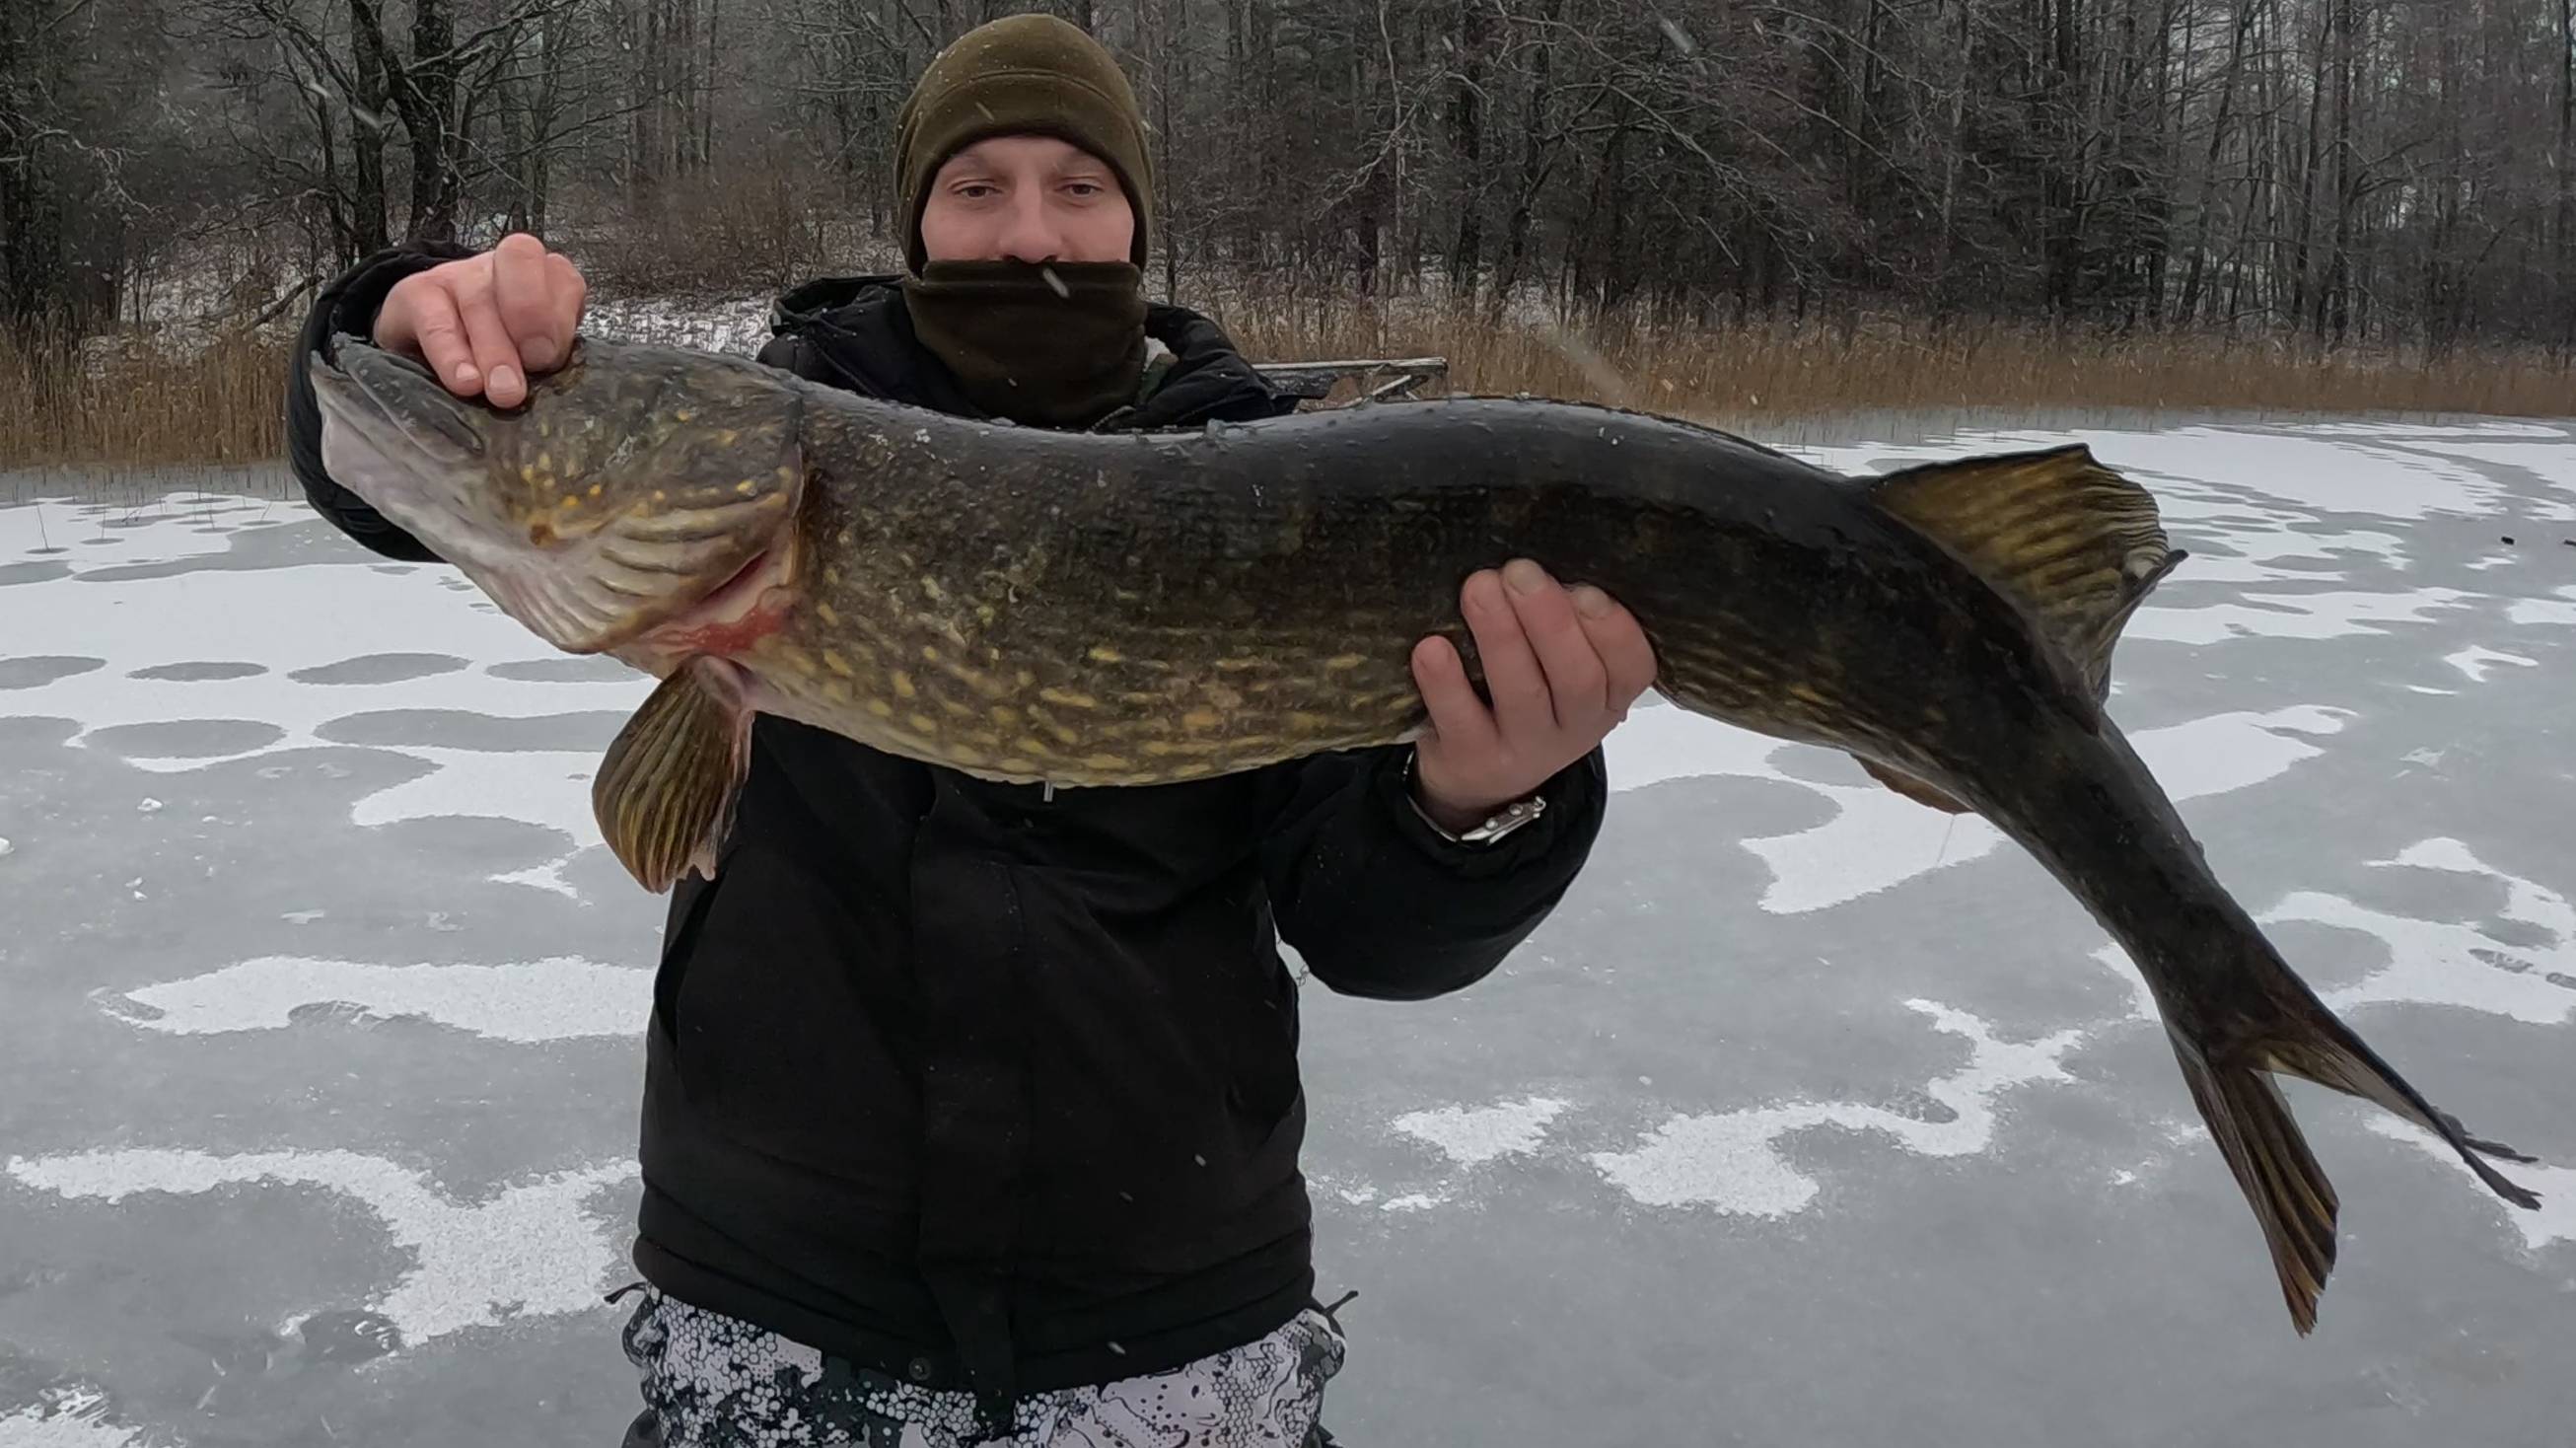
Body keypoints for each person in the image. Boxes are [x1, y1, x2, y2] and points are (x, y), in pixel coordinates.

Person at [281, 14, 1656, 1446]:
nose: (1024, 229)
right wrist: (397, 324)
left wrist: (1477, 813)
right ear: (917, 222)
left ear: (1136, 218)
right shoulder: (791, 420)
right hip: (782, 1301)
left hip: (1176, 1312)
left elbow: (1378, 937)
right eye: (976, 185)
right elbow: (373, 457)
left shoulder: (1286, 495)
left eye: (1076, 183)